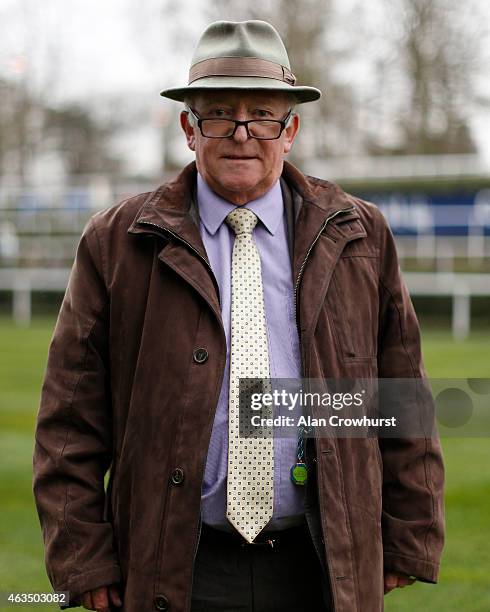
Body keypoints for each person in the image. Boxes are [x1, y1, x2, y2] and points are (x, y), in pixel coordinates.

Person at [33, 19, 445, 612]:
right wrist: (83, 558)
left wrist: (408, 536)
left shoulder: (362, 235)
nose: (243, 133)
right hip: (173, 568)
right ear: (189, 129)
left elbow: (403, 396)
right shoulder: (117, 241)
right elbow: (68, 423)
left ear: (291, 129)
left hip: (322, 568)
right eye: (221, 113)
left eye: (264, 115)